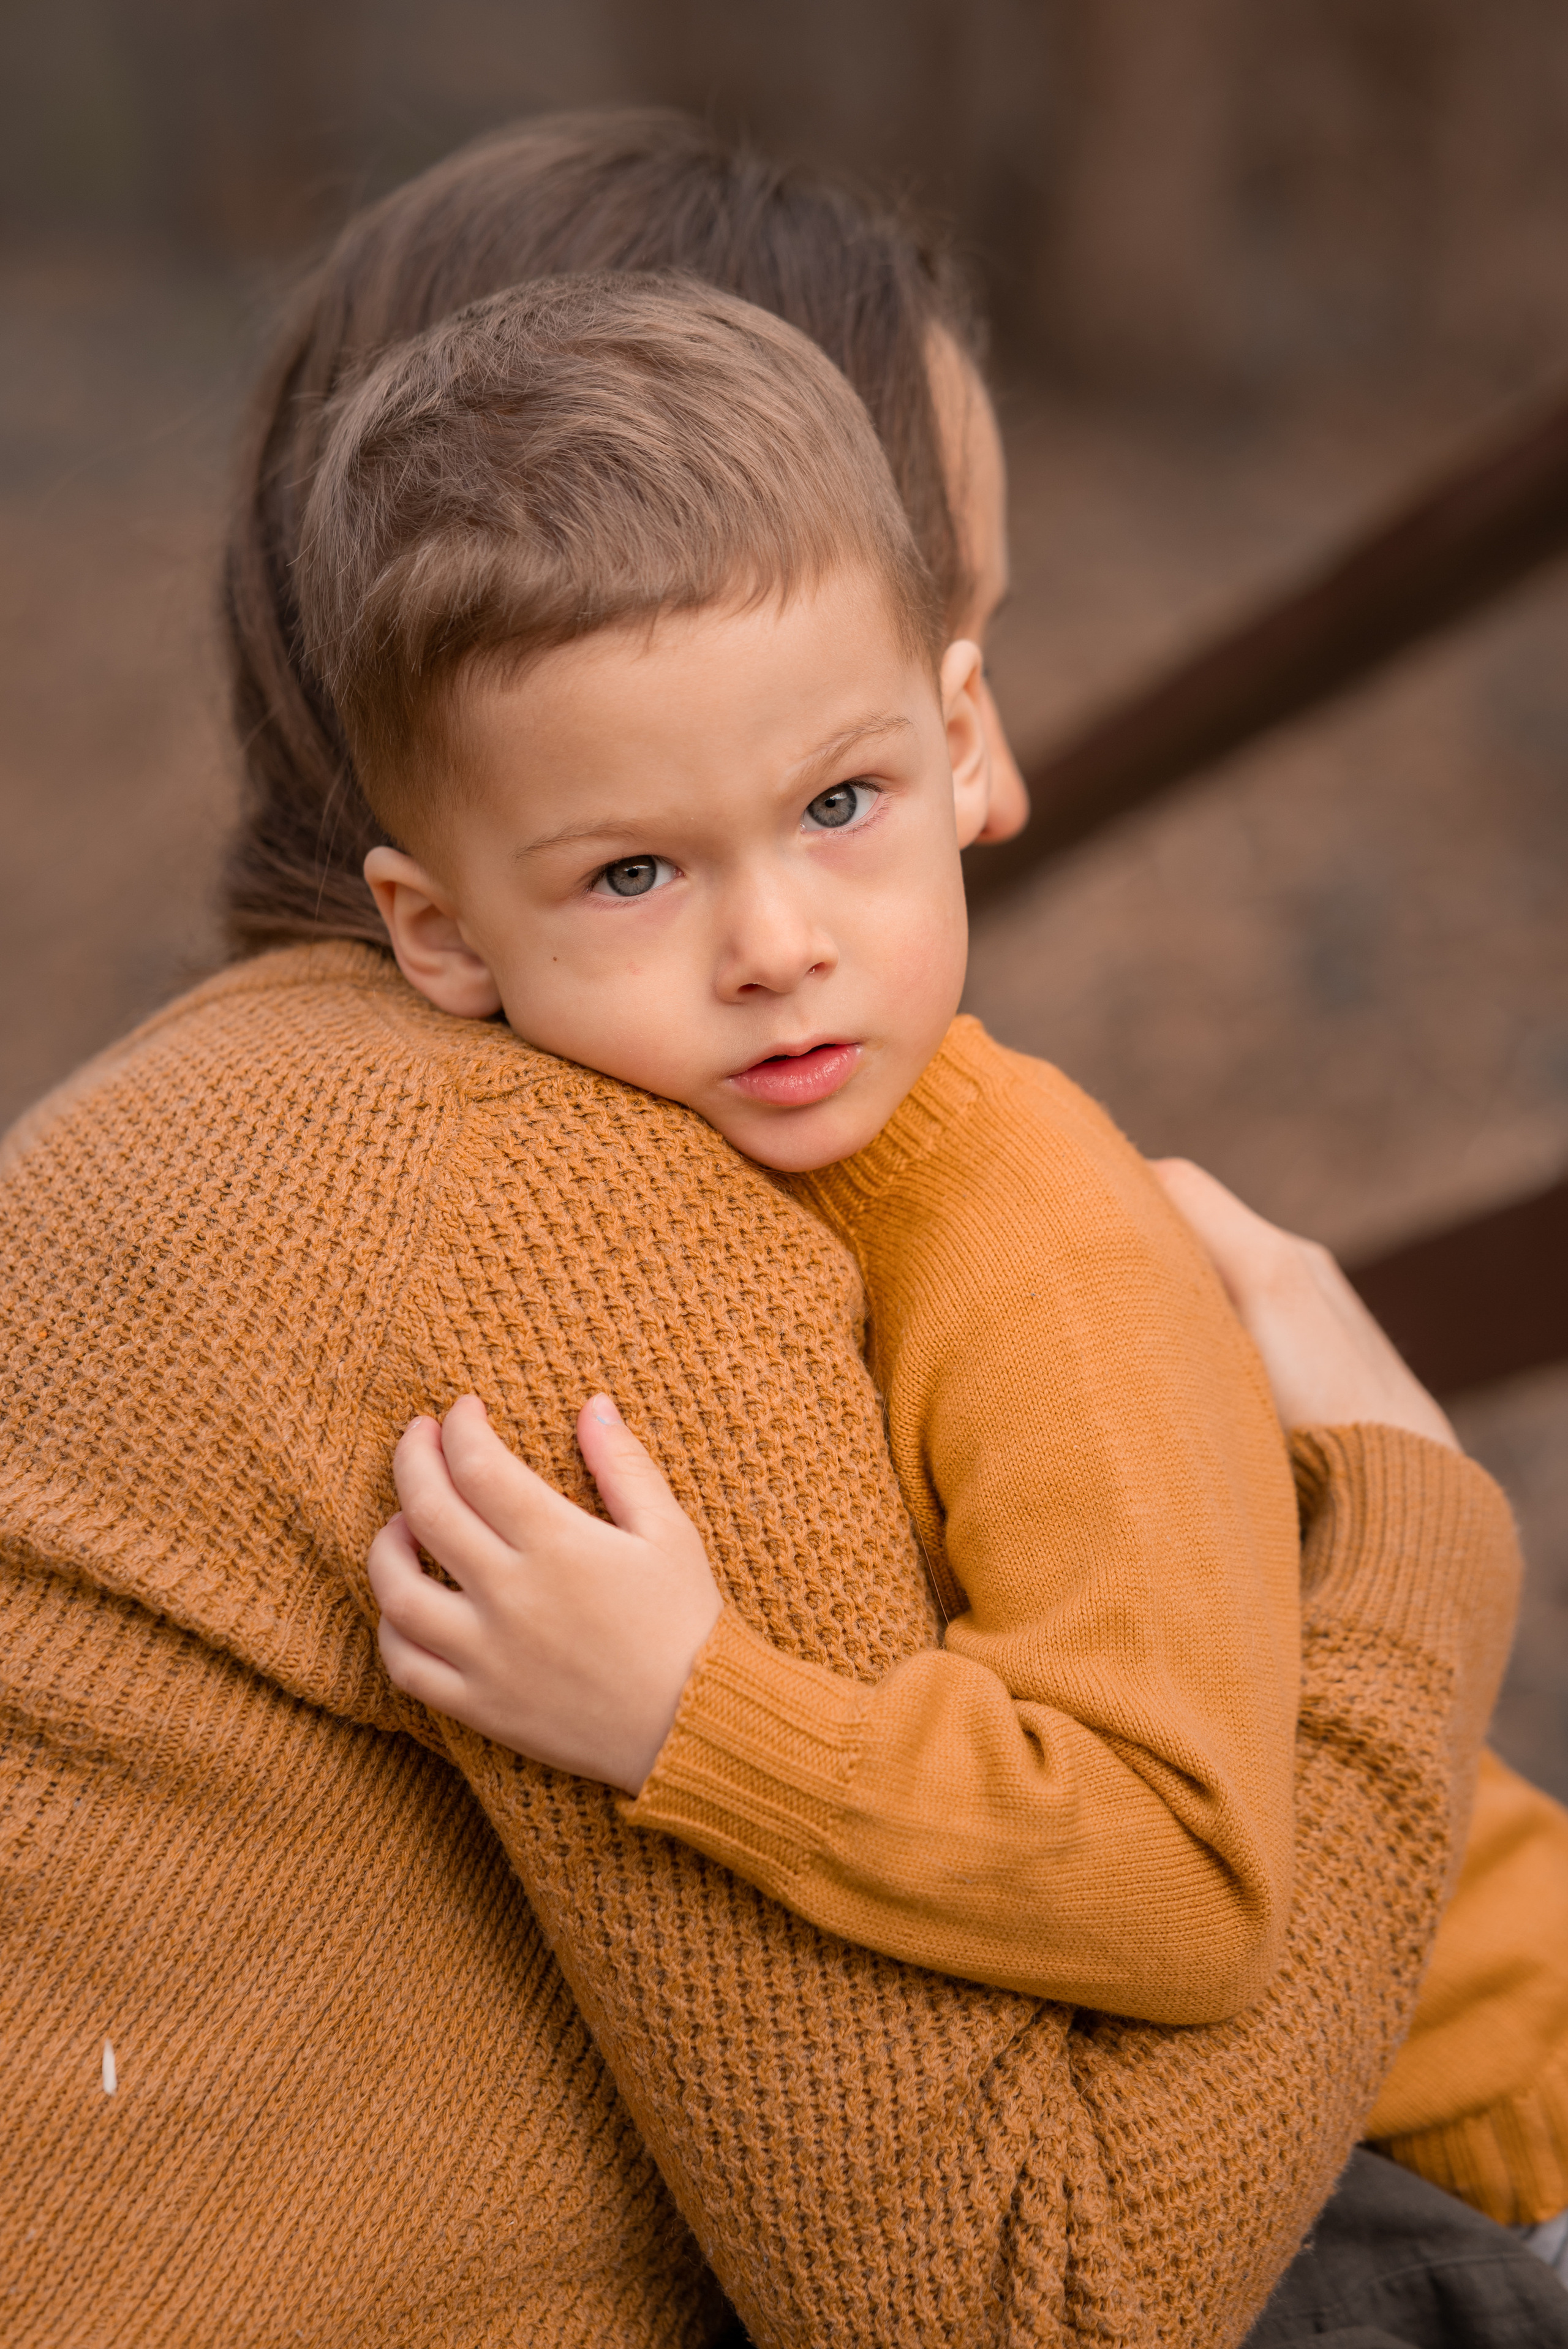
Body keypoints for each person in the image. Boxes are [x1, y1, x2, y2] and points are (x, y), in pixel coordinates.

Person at [0, 110, 1548, 2349]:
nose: (985, 773)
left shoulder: (179, 1107)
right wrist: (1420, 1553)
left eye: (876, 768)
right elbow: (1042, 2304)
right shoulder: (570, 1225)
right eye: (640, 853)